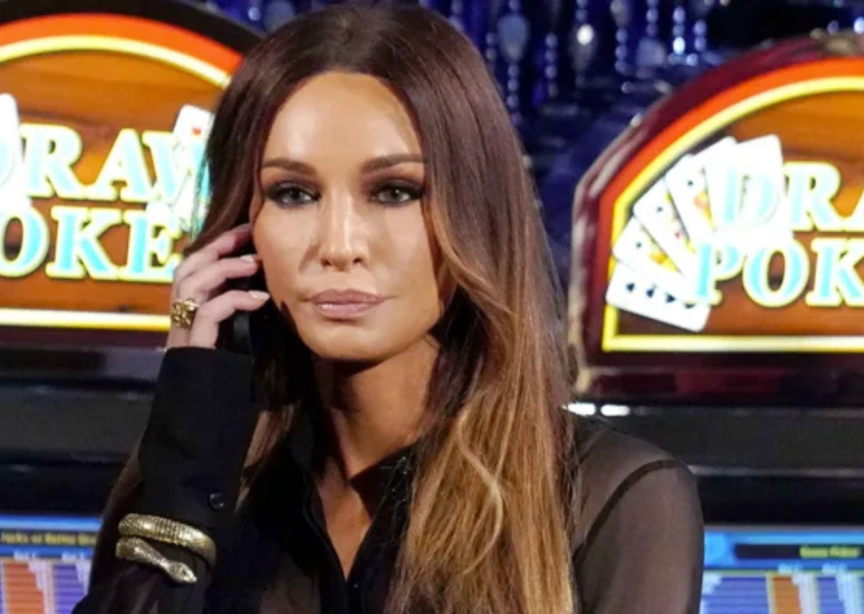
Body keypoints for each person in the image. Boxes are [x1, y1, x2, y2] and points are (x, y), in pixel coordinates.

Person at [73, 4, 704, 614]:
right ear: (243, 225)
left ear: (476, 215)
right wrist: (184, 475)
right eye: (293, 193)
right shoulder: (192, 485)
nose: (339, 245)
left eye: (395, 191)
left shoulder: (611, 501)